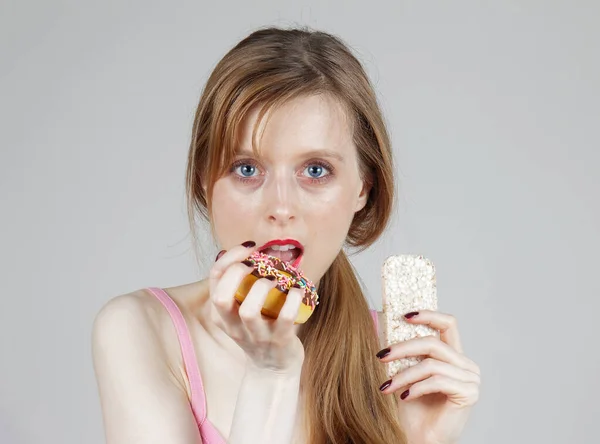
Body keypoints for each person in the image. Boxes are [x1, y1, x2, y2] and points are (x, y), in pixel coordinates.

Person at [92, 26, 481, 444]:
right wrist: (271, 374)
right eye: (246, 169)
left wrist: (422, 439)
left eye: (315, 170)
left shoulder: (402, 361)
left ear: (363, 188)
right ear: (205, 182)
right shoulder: (141, 330)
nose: (280, 207)